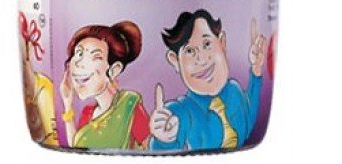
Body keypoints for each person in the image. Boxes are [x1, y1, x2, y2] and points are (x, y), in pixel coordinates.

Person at [149, 9, 266, 151]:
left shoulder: (233, 90)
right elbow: (166, 146)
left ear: (222, 43)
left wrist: (256, 70)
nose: (202, 59)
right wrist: (164, 140)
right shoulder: (180, 112)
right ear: (175, 61)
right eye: (190, 51)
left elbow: (250, 119)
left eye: (207, 44)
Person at [60, 21, 150, 149]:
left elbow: (151, 147)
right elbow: (76, 147)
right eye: (79, 54)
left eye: (95, 56)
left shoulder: (129, 106)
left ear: (114, 70)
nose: (79, 63)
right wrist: (67, 102)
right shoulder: (88, 112)